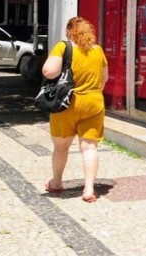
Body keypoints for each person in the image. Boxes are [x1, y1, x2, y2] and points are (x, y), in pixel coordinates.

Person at [41, 16, 108, 203]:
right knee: (89, 147)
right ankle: (89, 189)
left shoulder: (63, 47)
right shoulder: (98, 50)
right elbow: (104, 79)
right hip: (94, 103)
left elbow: (49, 72)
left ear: (70, 32)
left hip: (66, 104)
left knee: (61, 147)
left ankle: (56, 183)